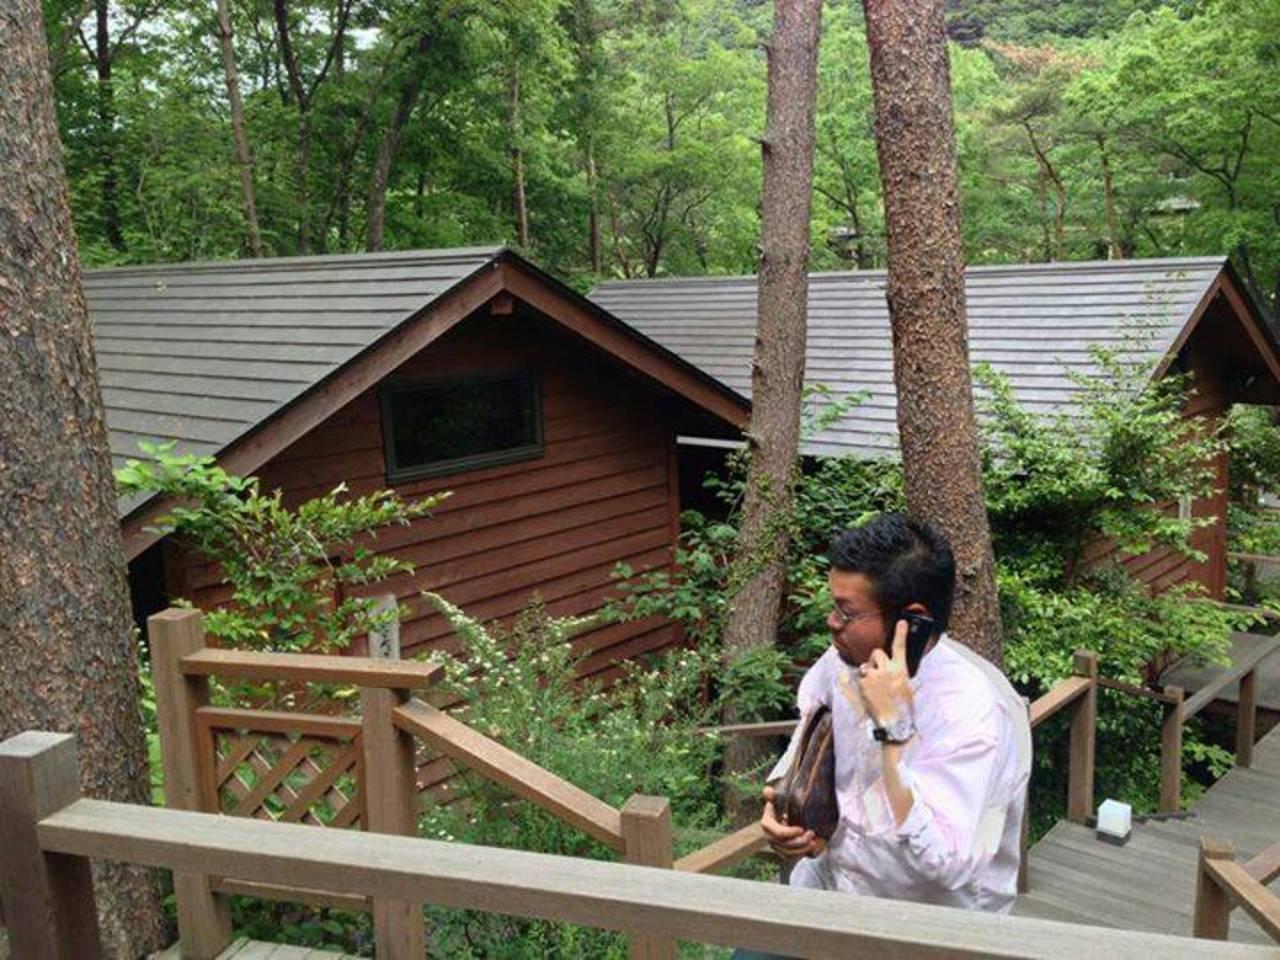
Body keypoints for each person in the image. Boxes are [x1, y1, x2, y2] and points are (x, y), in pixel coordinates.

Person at [756, 513, 1031, 925]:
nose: (832, 622)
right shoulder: (842, 663)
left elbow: (948, 867)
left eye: (846, 612)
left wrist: (893, 730)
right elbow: (809, 736)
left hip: (924, 930)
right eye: (833, 605)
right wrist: (782, 803)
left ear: (911, 619)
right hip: (827, 890)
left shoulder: (976, 710)